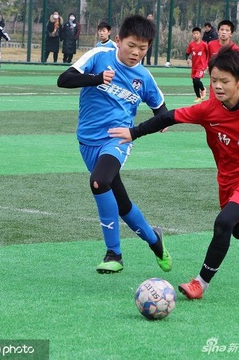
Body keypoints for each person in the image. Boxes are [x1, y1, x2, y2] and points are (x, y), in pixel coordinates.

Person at [108, 46, 239, 300]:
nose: (217, 86)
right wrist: (133, 132)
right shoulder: (207, 110)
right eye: (213, 80)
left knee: (223, 223)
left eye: (224, 81)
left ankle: (200, 283)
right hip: (227, 181)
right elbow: (169, 118)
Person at [57, 14, 172, 274]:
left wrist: (143, 129)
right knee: (122, 205)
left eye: (143, 48)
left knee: (99, 182)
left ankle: (114, 254)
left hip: (117, 140)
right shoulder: (99, 56)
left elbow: (161, 113)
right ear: (118, 40)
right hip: (87, 141)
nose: (136, 53)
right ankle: (155, 241)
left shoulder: (144, 77)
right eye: (132, 45)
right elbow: (63, 79)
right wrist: (96, 78)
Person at [186, 27, 208, 103]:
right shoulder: (191, 44)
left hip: (201, 66)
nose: (195, 35)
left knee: (196, 79)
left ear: (200, 34)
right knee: (194, 81)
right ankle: (198, 97)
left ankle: (203, 89)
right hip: (194, 66)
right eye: (194, 34)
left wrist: (207, 64)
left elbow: (209, 54)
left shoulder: (204, 44)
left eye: (197, 33)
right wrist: (188, 59)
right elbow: (187, 53)